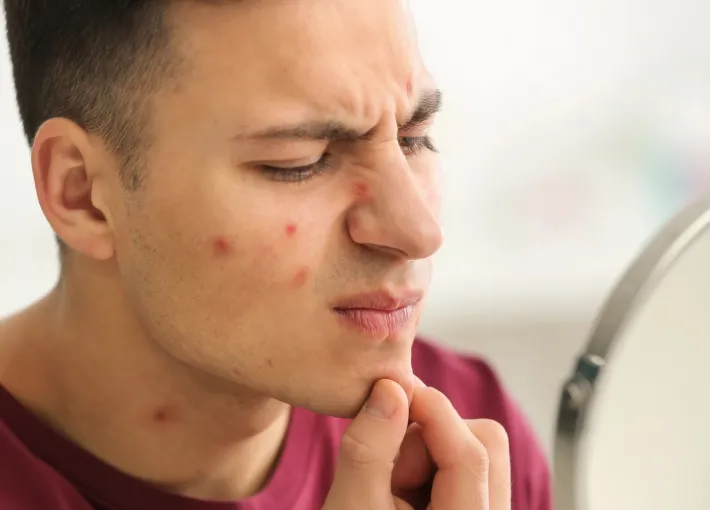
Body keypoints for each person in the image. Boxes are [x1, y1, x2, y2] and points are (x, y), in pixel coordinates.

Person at [0, 1, 552, 509]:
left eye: (414, 138)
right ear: (82, 194)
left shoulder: (470, 453)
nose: (419, 231)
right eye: (300, 161)